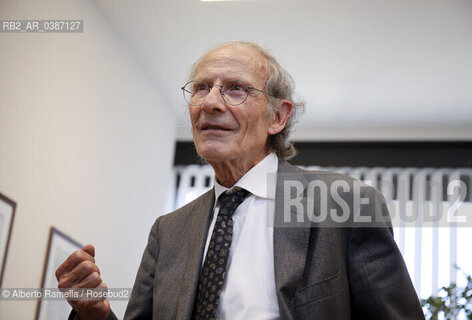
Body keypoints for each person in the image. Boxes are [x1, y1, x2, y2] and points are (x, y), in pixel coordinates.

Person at [56, 41, 425, 319]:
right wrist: (95, 313)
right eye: (201, 88)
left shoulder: (344, 204)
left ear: (277, 117)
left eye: (236, 89)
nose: (211, 103)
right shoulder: (168, 231)